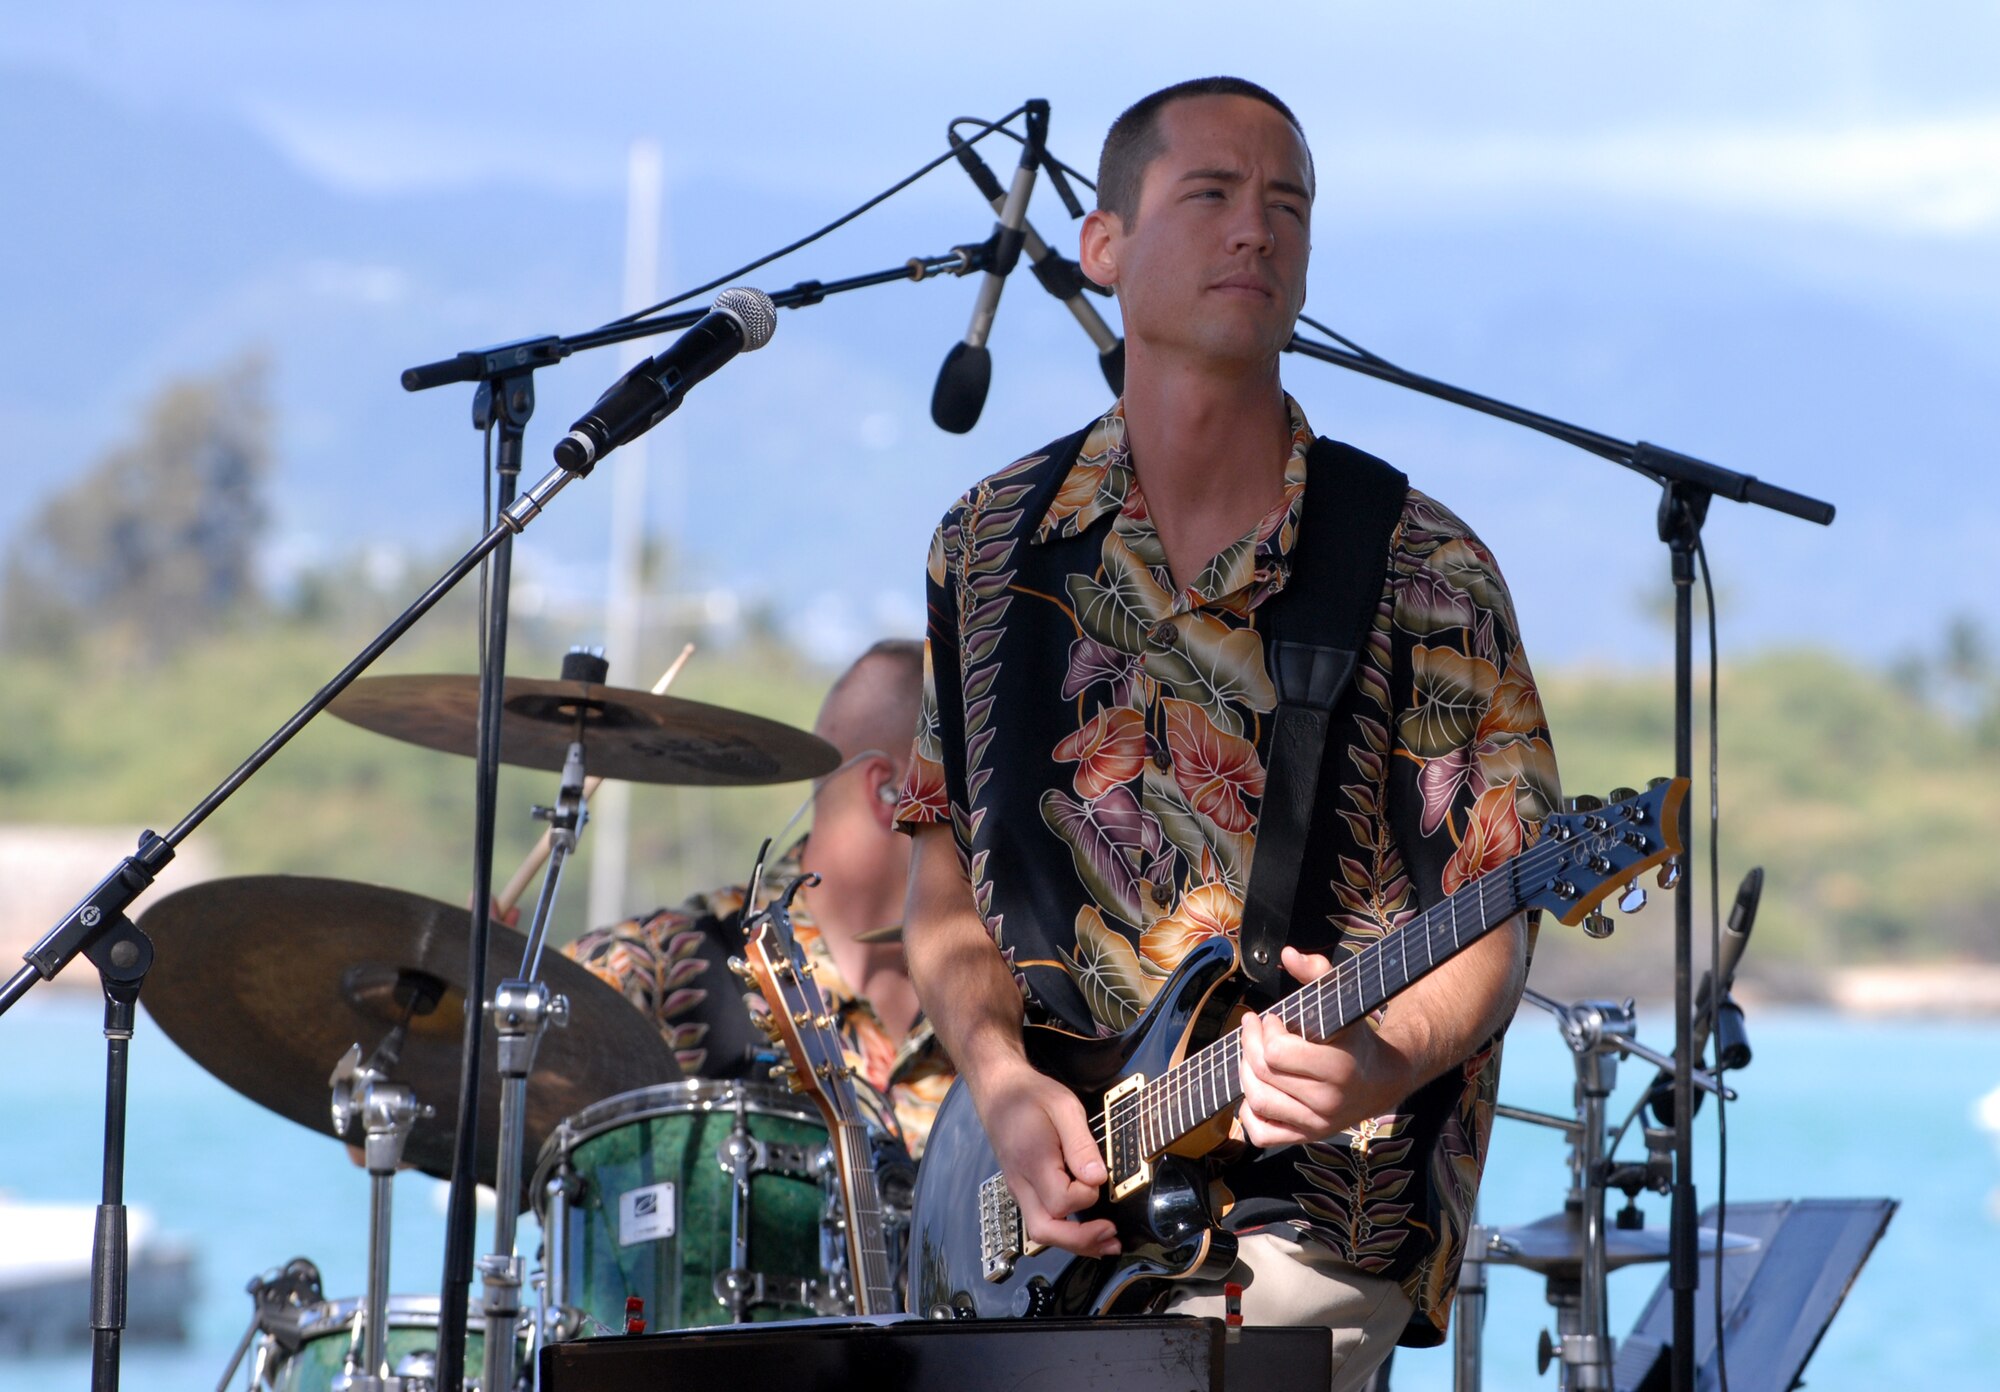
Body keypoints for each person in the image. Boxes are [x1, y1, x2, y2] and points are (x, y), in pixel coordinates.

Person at [895, 77, 1558, 1385]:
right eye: (1210, 193)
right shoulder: (986, 543)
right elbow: (941, 880)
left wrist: (1382, 1062)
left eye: (1288, 205)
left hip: (1309, 1216)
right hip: (1033, 1214)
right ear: (1101, 245)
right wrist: (1000, 1082)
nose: (1257, 228)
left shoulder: (1420, 565)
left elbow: (1495, 911)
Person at [566, 638, 953, 1157]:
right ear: (892, 792)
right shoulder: (667, 962)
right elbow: (502, 1059)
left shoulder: (1010, 1006)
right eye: (975, 794)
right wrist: (467, 984)